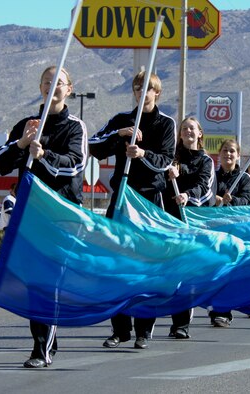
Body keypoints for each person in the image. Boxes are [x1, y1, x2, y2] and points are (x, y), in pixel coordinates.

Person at [0, 66, 88, 368]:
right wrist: (21, 145)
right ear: (40, 87)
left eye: (58, 83)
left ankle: (41, 348)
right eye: (47, 82)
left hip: (61, 215)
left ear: (69, 89)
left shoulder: (76, 127)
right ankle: (46, 341)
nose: (52, 87)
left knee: (50, 281)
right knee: (34, 281)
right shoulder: (26, 124)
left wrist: (44, 155)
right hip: (29, 213)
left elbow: (75, 165)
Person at [89, 71, 176, 349]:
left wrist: (143, 154)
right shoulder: (120, 121)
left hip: (149, 201)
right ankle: (120, 329)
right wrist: (119, 136)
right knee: (117, 262)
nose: (142, 92)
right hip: (122, 197)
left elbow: (164, 161)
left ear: (157, 92)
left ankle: (143, 329)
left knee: (146, 264)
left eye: (148, 88)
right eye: (138, 87)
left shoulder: (166, 124)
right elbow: (94, 147)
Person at [163, 116, 216, 338]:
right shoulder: (170, 158)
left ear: (200, 133)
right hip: (168, 220)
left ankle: (181, 324)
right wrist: (169, 175)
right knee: (170, 273)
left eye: (192, 128)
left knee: (186, 273)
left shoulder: (206, 161)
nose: (188, 131)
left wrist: (187, 195)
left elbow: (205, 187)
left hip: (191, 222)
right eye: (184, 128)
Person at [209, 139, 250, 327]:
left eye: (232, 151)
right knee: (215, 271)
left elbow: (248, 202)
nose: (228, 154)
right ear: (219, 154)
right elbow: (206, 196)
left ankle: (223, 311)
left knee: (229, 272)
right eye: (225, 151)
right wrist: (216, 200)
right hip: (214, 231)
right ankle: (217, 307)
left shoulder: (244, 178)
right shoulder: (213, 176)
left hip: (236, 233)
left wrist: (232, 200)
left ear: (238, 155)